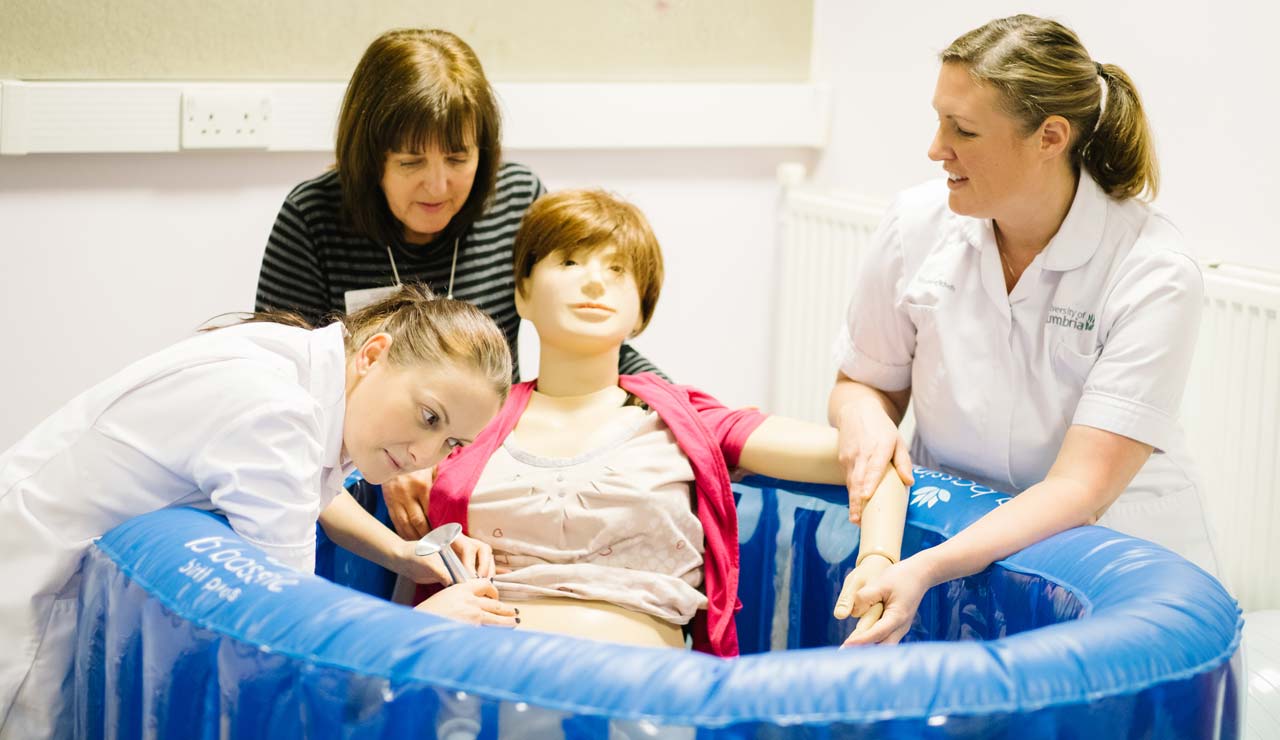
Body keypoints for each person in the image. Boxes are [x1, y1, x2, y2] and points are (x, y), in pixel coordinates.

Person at [830, 14, 1219, 648]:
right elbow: (861, 384)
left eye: (964, 130)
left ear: (1050, 137)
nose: (936, 148)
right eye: (938, 119)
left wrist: (926, 567)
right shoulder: (915, 224)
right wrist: (865, 420)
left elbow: (1078, 489)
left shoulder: (1153, 271)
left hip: (1107, 566)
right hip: (955, 543)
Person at [0, 285, 518, 738]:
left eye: (452, 443)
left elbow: (313, 488)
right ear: (374, 354)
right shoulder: (276, 411)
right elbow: (292, 635)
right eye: (429, 416)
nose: (426, 456)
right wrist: (424, 625)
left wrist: (404, 554)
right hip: (31, 590)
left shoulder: (301, 361)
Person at [417, 189, 909, 656]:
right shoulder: (464, 423)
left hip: (640, 702)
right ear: (522, 293)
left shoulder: (686, 421)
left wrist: (877, 562)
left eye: (617, 269)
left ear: (640, 311)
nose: (594, 282)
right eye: (569, 262)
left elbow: (875, 460)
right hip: (482, 692)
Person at [254, 28, 662, 541]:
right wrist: (385, 460)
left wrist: (680, 404)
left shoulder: (515, 200)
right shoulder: (313, 217)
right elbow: (284, 390)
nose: (438, 185)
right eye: (410, 162)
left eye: (457, 158)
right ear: (369, 157)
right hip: (353, 480)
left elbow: (586, 331)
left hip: (491, 461)